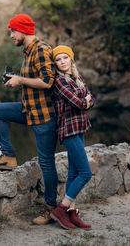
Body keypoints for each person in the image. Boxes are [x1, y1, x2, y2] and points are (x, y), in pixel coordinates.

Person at [0, 14, 58, 225]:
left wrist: (20, 80)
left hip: (44, 116)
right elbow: (32, 80)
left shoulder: (42, 49)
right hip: (28, 110)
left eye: (12, 31)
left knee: (46, 163)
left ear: (23, 30)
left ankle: (51, 208)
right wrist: (15, 80)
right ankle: (7, 156)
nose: (10, 35)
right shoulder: (28, 51)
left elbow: (47, 82)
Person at [50, 45, 94, 230]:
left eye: (65, 58)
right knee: (85, 173)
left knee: (74, 173)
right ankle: (62, 208)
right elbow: (79, 102)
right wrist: (85, 100)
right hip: (68, 130)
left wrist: (86, 100)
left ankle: (71, 213)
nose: (62, 62)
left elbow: (91, 97)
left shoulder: (76, 77)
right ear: (56, 63)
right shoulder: (59, 81)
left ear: (71, 59)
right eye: (58, 59)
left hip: (80, 127)